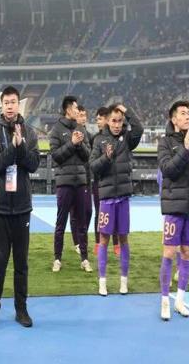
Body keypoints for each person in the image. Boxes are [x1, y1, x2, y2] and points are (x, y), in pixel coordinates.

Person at [0, 86, 40, 329]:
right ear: (2, 105)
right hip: (0, 208)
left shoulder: (30, 132)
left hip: (22, 207)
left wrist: (22, 146)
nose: (10, 106)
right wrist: (13, 147)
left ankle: (21, 309)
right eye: (6, 102)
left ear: (19, 104)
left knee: (21, 263)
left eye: (13, 101)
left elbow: (34, 164)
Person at [157, 101, 189, 321]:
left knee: (186, 252)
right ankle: (164, 301)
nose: (187, 117)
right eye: (183, 113)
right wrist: (185, 149)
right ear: (173, 118)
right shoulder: (164, 142)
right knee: (169, 252)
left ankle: (180, 300)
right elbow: (168, 170)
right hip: (173, 206)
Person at [90, 103, 143, 296]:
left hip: (123, 197)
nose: (117, 124)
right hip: (106, 198)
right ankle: (102, 282)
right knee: (104, 239)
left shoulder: (127, 138)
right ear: (107, 121)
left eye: (120, 121)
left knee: (123, 239)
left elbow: (139, 128)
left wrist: (127, 111)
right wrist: (106, 157)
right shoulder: (98, 140)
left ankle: (123, 281)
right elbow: (93, 166)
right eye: (113, 120)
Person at [50, 95, 92, 273]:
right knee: (61, 223)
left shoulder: (80, 128)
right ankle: (57, 259)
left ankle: (85, 259)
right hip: (64, 183)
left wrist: (79, 144)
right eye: (75, 108)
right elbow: (56, 156)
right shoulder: (56, 130)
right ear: (68, 110)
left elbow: (88, 155)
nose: (78, 111)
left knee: (82, 223)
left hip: (80, 183)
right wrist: (72, 143)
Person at [92, 107, 120, 257]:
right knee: (99, 213)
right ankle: (98, 243)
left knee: (116, 213)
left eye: (100, 119)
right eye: (97, 119)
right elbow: (92, 162)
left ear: (107, 120)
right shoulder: (96, 139)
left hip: (114, 182)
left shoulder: (118, 137)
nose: (98, 122)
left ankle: (116, 244)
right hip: (99, 181)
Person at [69, 105, 93, 261]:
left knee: (88, 211)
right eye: (80, 115)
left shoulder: (89, 135)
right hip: (74, 178)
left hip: (87, 177)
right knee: (74, 212)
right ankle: (77, 242)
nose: (82, 118)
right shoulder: (72, 133)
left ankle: (81, 236)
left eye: (84, 115)